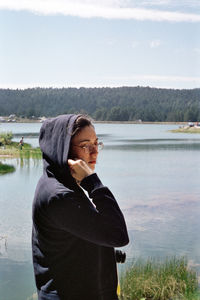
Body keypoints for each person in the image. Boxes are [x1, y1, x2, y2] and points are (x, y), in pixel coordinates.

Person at [32, 114, 129, 300]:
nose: (95, 152)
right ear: (62, 149)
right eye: (86, 145)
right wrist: (93, 182)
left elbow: (74, 239)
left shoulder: (58, 182)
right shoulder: (59, 196)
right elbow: (118, 235)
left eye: (96, 143)